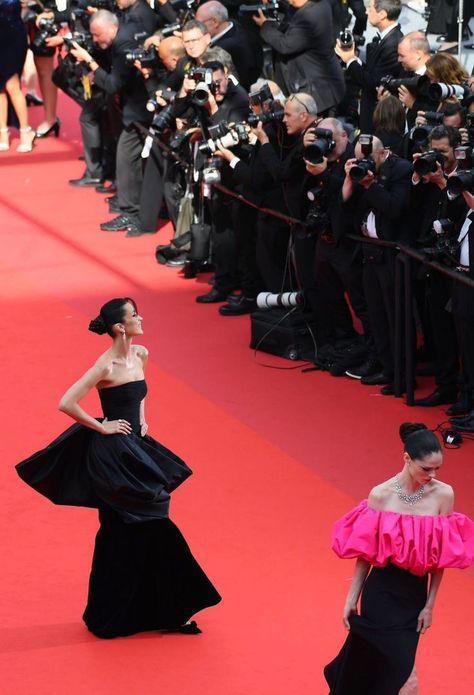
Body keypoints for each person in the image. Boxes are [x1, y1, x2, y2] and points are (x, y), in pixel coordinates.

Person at [15, 297, 221, 638]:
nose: (141, 318)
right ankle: (119, 614)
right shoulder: (105, 366)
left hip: (136, 449)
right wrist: (103, 426)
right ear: (119, 327)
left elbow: (139, 395)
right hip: (112, 457)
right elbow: (66, 402)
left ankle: (148, 611)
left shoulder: (141, 354)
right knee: (134, 526)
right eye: (134, 315)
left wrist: (143, 420)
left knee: (132, 529)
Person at [324, 423, 474, 694]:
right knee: (405, 680)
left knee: (391, 674)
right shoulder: (381, 496)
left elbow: (440, 559)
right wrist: (351, 598)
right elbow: (365, 554)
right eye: (426, 469)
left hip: (413, 597)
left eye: (437, 468)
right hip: (381, 593)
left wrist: (430, 605)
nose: (433, 475)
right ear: (407, 459)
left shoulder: (443, 495)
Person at [253, 0, 345, 114]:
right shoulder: (318, 5)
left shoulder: (310, 15)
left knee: (318, 128)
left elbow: (285, 45)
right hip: (320, 87)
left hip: (318, 94)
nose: (289, 2)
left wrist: (265, 25)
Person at [335, 0, 403, 133]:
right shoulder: (388, 38)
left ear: (382, 14)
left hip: (377, 119)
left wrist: (349, 60)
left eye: (370, 8)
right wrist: (354, 59)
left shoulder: (392, 43)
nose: (366, 12)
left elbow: (373, 82)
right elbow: (373, 72)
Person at [0, 0, 35, 152]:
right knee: (0, 89)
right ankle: (3, 132)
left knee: (11, 85)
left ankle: (25, 131)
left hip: (13, 38)